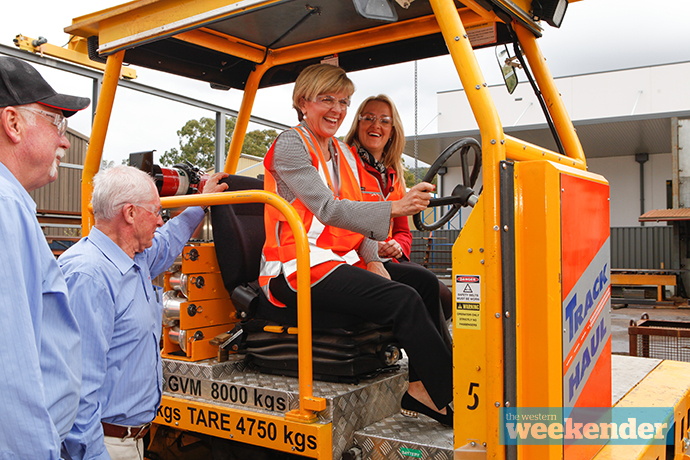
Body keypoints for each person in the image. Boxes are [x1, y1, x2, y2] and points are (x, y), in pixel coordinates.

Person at [259, 63, 453, 426]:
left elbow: (350, 221)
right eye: (326, 99)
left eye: (344, 101)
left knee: (425, 285)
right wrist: (396, 206)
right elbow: (328, 209)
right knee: (403, 299)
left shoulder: (340, 153)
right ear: (303, 102)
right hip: (295, 269)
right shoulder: (290, 146)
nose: (337, 109)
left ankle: (424, 385)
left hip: (334, 261)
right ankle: (447, 395)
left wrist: (371, 255)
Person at [59, 165, 229, 460]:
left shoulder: (134, 259)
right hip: (102, 444)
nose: (161, 219)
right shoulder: (89, 276)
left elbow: (167, 242)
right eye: (156, 211)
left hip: (132, 439)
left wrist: (201, 202)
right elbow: (77, 389)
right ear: (130, 213)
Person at [0, 56, 89, 460]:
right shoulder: (5, 207)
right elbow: (10, 372)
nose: (65, 141)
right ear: (13, 123)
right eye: (58, 123)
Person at [344, 94, 454, 323]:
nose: (376, 125)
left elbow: (403, 231)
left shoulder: (394, 177)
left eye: (385, 120)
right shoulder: (345, 168)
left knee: (444, 296)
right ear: (358, 125)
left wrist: (397, 245)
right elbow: (338, 217)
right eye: (369, 118)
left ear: (393, 130)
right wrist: (374, 247)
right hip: (356, 259)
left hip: (389, 260)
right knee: (426, 286)